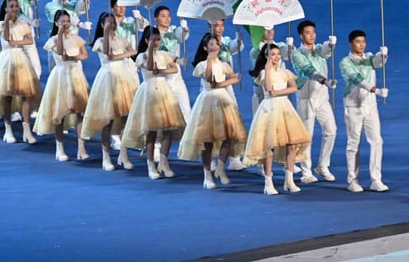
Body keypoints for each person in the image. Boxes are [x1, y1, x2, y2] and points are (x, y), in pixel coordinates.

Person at [180, 34, 247, 190]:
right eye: (210, 45)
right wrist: (210, 60)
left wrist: (222, 83)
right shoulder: (202, 65)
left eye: (216, 44)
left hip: (223, 99)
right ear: (205, 48)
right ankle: (207, 175)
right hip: (208, 101)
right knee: (208, 141)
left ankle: (221, 167)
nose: (214, 47)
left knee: (229, 136)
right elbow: (209, 79)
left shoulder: (223, 64)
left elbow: (234, 78)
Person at [243, 43, 312, 195]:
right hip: (270, 108)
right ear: (267, 57)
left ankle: (289, 180)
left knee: (292, 144)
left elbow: (294, 87)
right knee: (270, 146)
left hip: (285, 106)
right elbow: (268, 88)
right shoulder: (263, 72)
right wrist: (267, 69)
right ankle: (268, 182)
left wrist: (280, 91)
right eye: (272, 54)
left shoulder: (285, 72)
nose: (276, 57)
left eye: (278, 54)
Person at [123, 28, 186, 180]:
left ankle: (163, 162)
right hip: (149, 92)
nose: (156, 43)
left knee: (168, 129)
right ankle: (150, 164)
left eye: (158, 40)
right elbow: (150, 67)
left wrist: (163, 69)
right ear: (146, 41)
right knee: (151, 131)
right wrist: (150, 51)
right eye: (152, 40)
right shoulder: (141, 56)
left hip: (164, 91)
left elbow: (174, 68)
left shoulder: (164, 54)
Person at [0, 0, 44, 143]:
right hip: (7, 61)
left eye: (16, 6)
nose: (14, 9)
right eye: (11, 6)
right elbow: (7, 37)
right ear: (5, 9)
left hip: (21, 60)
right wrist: (8, 21)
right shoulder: (1, 25)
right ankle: (8, 129)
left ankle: (26, 130)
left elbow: (29, 39)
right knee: (7, 95)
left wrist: (18, 42)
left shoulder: (23, 23)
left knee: (27, 94)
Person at [81, 13, 139, 171]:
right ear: (102, 25)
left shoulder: (120, 39)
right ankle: (106, 156)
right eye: (108, 23)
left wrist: (119, 55)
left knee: (125, 117)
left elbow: (133, 51)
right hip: (107, 79)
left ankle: (123, 153)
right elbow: (107, 53)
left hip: (123, 78)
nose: (112, 25)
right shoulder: (100, 41)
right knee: (108, 119)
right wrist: (106, 34)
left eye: (113, 23)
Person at [35, 10, 90, 161]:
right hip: (60, 77)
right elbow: (59, 52)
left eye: (67, 21)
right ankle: (60, 148)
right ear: (56, 23)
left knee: (80, 112)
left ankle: (81, 148)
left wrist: (75, 57)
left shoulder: (76, 38)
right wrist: (59, 34)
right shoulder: (53, 40)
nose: (65, 24)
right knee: (60, 113)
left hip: (75, 75)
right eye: (62, 22)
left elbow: (85, 55)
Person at [289, 19, 338, 184]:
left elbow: (326, 52)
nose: (311, 35)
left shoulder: (318, 50)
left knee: (331, 131)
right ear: (301, 35)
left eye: (313, 32)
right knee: (306, 136)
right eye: (308, 33)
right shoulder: (296, 54)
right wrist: (324, 80)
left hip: (322, 98)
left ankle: (323, 166)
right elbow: (308, 70)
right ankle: (306, 172)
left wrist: (331, 44)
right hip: (306, 98)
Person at [339, 30, 389, 193]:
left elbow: (378, 63)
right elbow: (356, 79)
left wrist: (383, 55)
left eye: (363, 41)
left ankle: (376, 179)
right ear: (350, 44)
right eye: (358, 42)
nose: (361, 44)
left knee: (377, 141)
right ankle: (352, 180)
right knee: (354, 143)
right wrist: (376, 90)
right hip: (353, 106)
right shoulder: (345, 62)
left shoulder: (368, 58)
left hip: (370, 106)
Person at [3, 0, 42, 79]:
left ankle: (32, 90)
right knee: (15, 69)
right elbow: (17, 14)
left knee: (36, 68)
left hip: (28, 36)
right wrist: (31, 22)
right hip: (15, 36)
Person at [249, 25, 289, 112]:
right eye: (266, 30)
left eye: (272, 29)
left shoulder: (280, 46)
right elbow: (259, 70)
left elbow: (287, 55)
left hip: (280, 87)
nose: (270, 32)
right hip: (263, 89)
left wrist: (290, 47)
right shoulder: (255, 51)